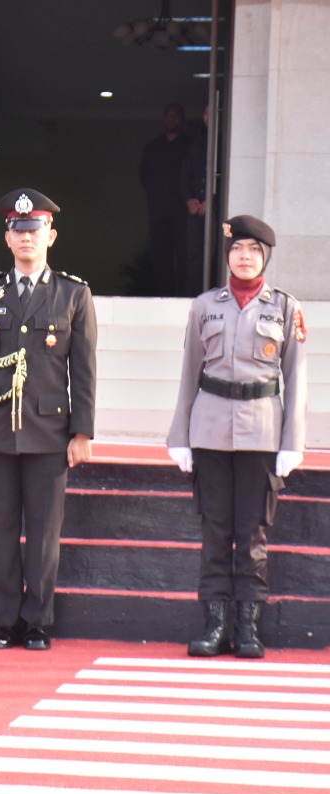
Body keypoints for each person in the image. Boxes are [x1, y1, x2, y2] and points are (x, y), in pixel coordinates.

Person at [0, 188, 97, 651]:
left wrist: (82, 431)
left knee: (43, 533)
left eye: (35, 230)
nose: (27, 238)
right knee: (0, 531)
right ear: (7, 237)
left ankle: (36, 621)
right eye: (19, 230)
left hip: (49, 432)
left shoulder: (73, 293)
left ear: (50, 236)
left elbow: (84, 370)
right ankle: (4, 621)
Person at [167, 215, 307, 659]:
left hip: (262, 433)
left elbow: (297, 379)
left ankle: (247, 626)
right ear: (227, 255)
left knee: (252, 534)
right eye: (236, 249)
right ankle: (215, 625)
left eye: (252, 250)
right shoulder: (205, 305)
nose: (244, 257)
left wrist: (292, 444)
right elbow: (190, 372)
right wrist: (180, 436)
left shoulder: (285, 307)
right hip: (209, 430)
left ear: (264, 257)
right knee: (215, 530)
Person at [139, 103, 190, 295]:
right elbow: (144, 176)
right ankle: (163, 295)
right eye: (168, 115)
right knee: (161, 256)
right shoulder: (153, 147)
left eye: (175, 116)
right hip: (158, 212)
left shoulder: (189, 145)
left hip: (184, 213)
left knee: (185, 256)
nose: (171, 119)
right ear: (163, 119)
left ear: (181, 119)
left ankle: (184, 295)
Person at [180, 105, 211, 295]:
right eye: (206, 112)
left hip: (217, 210)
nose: (209, 116)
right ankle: (194, 295)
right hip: (196, 209)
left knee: (217, 253)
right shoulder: (196, 142)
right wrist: (189, 199)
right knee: (194, 254)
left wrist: (212, 200)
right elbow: (185, 174)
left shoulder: (227, 139)